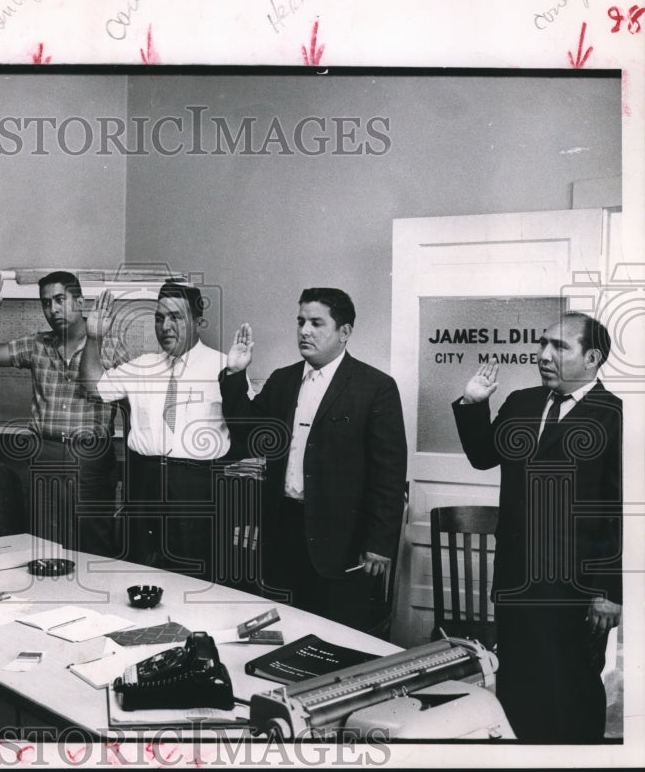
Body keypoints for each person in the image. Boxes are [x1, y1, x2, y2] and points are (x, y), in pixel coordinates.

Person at [452, 312, 622, 743]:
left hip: (577, 588)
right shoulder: (521, 402)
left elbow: (620, 510)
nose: (544, 355)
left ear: (592, 358)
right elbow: (483, 457)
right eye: (544, 344)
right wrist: (474, 403)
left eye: (559, 347)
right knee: (517, 687)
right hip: (515, 578)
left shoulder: (617, 416)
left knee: (573, 690)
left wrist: (609, 592)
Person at [219, 288, 407, 632]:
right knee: (283, 633)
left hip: (342, 542)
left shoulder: (375, 387)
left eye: (317, 323)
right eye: (301, 322)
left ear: (344, 332)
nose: (305, 331)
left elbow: (389, 474)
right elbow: (247, 434)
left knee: (336, 639)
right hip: (283, 531)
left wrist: (379, 543)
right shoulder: (283, 380)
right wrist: (235, 374)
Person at [0, 270, 129, 557]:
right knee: (45, 545)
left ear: (79, 303)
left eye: (59, 300)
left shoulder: (112, 347)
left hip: (91, 456)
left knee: (94, 544)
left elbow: (132, 407)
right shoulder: (36, 344)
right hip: (45, 452)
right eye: (45, 303)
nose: (52, 310)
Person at [80, 282, 233, 582]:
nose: (165, 326)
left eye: (175, 317)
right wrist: (94, 337)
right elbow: (93, 385)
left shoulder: (224, 368)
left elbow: (243, 431)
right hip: (145, 483)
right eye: (159, 318)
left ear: (198, 322)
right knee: (141, 571)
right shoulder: (142, 366)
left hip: (196, 487)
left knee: (194, 575)